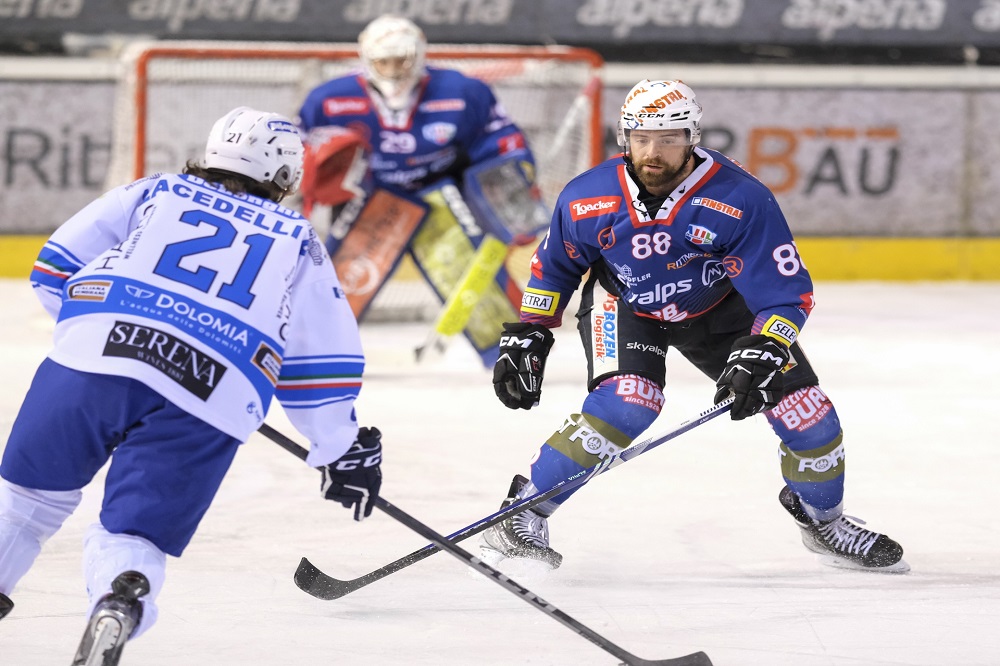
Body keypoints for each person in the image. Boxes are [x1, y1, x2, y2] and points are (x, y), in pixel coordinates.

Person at [0, 107, 385, 663]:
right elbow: (320, 360)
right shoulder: (297, 240)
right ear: (284, 176)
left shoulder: (155, 191)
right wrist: (339, 448)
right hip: (212, 390)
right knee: (135, 535)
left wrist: (96, 330)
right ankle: (119, 599)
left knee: (24, 502)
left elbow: (56, 265)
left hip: (92, 359)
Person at [482, 80, 908, 574]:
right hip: (625, 305)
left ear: (692, 137)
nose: (653, 151)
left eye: (668, 138)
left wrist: (768, 345)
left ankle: (824, 522)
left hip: (721, 312)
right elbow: (556, 266)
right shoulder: (586, 197)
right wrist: (530, 331)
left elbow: (785, 293)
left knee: (809, 417)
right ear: (624, 137)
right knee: (628, 403)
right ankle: (521, 514)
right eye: (641, 137)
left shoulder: (741, 197)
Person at [295, 14, 547, 364]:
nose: (395, 70)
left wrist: (515, 199)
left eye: (402, 59)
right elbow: (298, 154)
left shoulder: (464, 92)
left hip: (439, 195)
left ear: (420, 54)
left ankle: (513, 358)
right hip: (370, 200)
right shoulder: (327, 101)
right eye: (384, 61)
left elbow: (503, 143)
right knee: (341, 285)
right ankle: (307, 357)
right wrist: (311, 186)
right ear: (366, 60)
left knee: (474, 284)